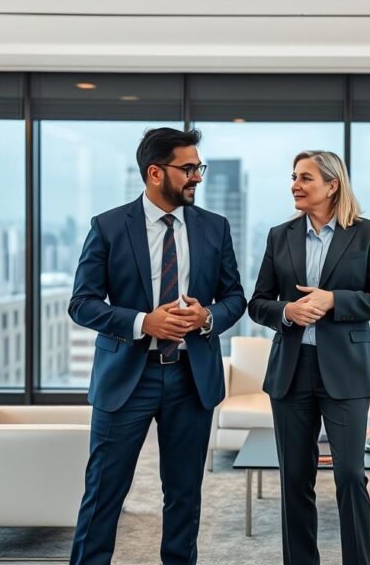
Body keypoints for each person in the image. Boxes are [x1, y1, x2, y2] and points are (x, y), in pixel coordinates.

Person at [67, 128, 246, 565]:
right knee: (103, 493)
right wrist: (143, 322)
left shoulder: (215, 228)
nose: (197, 177)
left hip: (191, 377)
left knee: (184, 497)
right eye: (188, 168)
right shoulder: (109, 227)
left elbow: (235, 297)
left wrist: (207, 317)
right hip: (127, 378)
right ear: (155, 173)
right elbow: (82, 304)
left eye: (199, 168)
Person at [248, 150, 370, 565]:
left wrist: (334, 300)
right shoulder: (280, 235)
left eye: (305, 178)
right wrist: (287, 311)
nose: (295, 185)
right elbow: (257, 303)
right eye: (294, 177)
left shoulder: (367, 234)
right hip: (291, 370)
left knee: (350, 475)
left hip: (346, 371)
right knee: (295, 479)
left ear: (332, 185)